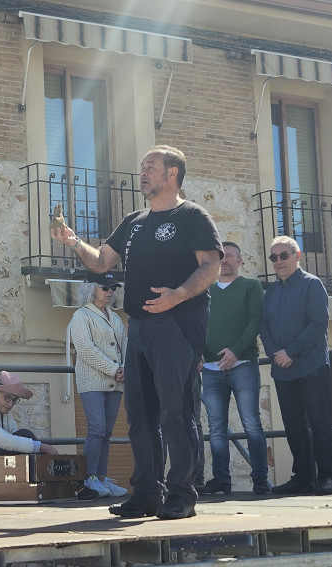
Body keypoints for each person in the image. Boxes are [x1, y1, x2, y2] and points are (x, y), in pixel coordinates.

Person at [50, 145, 222, 520]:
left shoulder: (192, 216)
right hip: (140, 327)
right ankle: (146, 494)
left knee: (177, 413)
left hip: (178, 325)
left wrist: (177, 296)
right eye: (142, 167)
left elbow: (211, 266)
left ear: (172, 173)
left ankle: (181, 495)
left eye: (150, 167)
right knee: (141, 416)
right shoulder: (134, 221)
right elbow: (101, 262)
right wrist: (72, 241)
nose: (142, 174)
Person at [260, 235, 332, 495]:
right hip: (283, 370)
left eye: (284, 255)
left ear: (297, 256)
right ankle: (303, 478)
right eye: (274, 257)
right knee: (293, 427)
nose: (279, 261)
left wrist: (290, 352)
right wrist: (276, 354)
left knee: (320, 423)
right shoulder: (270, 291)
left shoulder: (312, 285)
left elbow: (318, 325)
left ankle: (328, 477)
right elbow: (265, 327)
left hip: (311, 366)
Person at [198, 241, 269, 495]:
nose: (225, 261)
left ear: (240, 261)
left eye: (230, 257)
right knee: (215, 428)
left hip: (243, 366)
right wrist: (197, 353)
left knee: (252, 424)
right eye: (221, 257)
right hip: (210, 368)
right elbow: (197, 323)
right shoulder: (204, 290)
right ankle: (221, 480)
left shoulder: (251, 287)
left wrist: (235, 350)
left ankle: (261, 480)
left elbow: (255, 321)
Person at [69, 272, 128, 500]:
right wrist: (115, 369)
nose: (110, 291)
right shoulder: (81, 316)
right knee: (97, 428)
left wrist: (125, 367)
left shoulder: (115, 318)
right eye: (105, 287)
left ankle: (102, 478)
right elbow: (85, 349)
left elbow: (125, 346)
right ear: (92, 288)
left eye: (113, 287)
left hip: (116, 381)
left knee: (107, 432)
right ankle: (90, 478)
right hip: (92, 381)